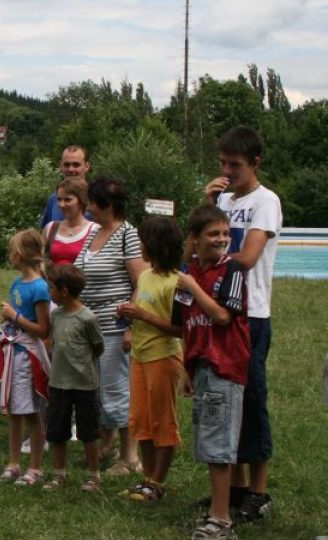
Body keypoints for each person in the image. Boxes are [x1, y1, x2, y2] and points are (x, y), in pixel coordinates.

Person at [204, 126, 281, 524]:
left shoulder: (265, 202)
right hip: (219, 313)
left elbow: (247, 257)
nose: (228, 171)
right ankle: (232, 487)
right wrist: (209, 204)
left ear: (255, 163)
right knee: (224, 400)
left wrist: (213, 247)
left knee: (251, 401)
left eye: (235, 165)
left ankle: (258, 490)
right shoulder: (224, 200)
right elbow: (198, 246)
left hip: (250, 315)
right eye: (222, 163)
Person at [172, 205, 250, 540]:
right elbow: (186, 325)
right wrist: (188, 367)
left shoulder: (231, 270)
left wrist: (191, 286)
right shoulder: (189, 273)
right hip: (202, 366)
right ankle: (217, 511)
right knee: (209, 442)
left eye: (224, 233)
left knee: (218, 444)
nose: (221, 240)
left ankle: (222, 521)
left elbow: (221, 317)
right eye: (212, 234)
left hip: (225, 365)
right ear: (194, 239)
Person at [73, 176, 148, 475]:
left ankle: (130, 458)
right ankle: (107, 446)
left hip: (116, 329)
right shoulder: (96, 233)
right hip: (93, 328)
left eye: (91, 201)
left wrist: (131, 325)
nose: (88, 207)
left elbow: (140, 282)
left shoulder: (128, 235)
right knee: (99, 391)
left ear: (105, 205)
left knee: (118, 392)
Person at [115, 216, 185, 501]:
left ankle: (158, 482)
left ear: (156, 246)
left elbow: (179, 328)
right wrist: (128, 318)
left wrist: (143, 315)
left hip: (163, 358)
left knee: (163, 423)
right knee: (140, 421)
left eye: (143, 242)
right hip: (140, 357)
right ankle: (146, 479)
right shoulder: (145, 275)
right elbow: (140, 308)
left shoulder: (176, 283)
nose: (139, 246)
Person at [0, 229, 51, 486]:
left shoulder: (39, 288)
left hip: (27, 355)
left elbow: (43, 329)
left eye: (11, 251)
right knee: (14, 410)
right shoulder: (17, 283)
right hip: (11, 352)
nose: (9, 256)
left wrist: (14, 317)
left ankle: (35, 467)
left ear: (20, 254)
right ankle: (14, 463)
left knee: (30, 412)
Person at [40, 264, 105, 492]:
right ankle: (59, 474)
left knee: (89, 431)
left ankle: (94, 476)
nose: (49, 292)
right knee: (57, 430)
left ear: (64, 291)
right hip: (58, 383)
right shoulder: (56, 315)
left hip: (84, 384)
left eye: (51, 288)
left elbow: (98, 346)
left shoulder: (87, 318)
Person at [43, 178, 98, 267]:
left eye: (68, 200)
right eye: (59, 199)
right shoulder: (51, 228)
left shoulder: (94, 230)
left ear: (81, 200)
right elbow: (38, 264)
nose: (62, 204)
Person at [40, 145, 91, 228]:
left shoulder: (96, 198)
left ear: (86, 166)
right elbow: (46, 234)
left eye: (76, 165)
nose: (71, 169)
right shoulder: (54, 199)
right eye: (66, 165)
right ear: (60, 166)